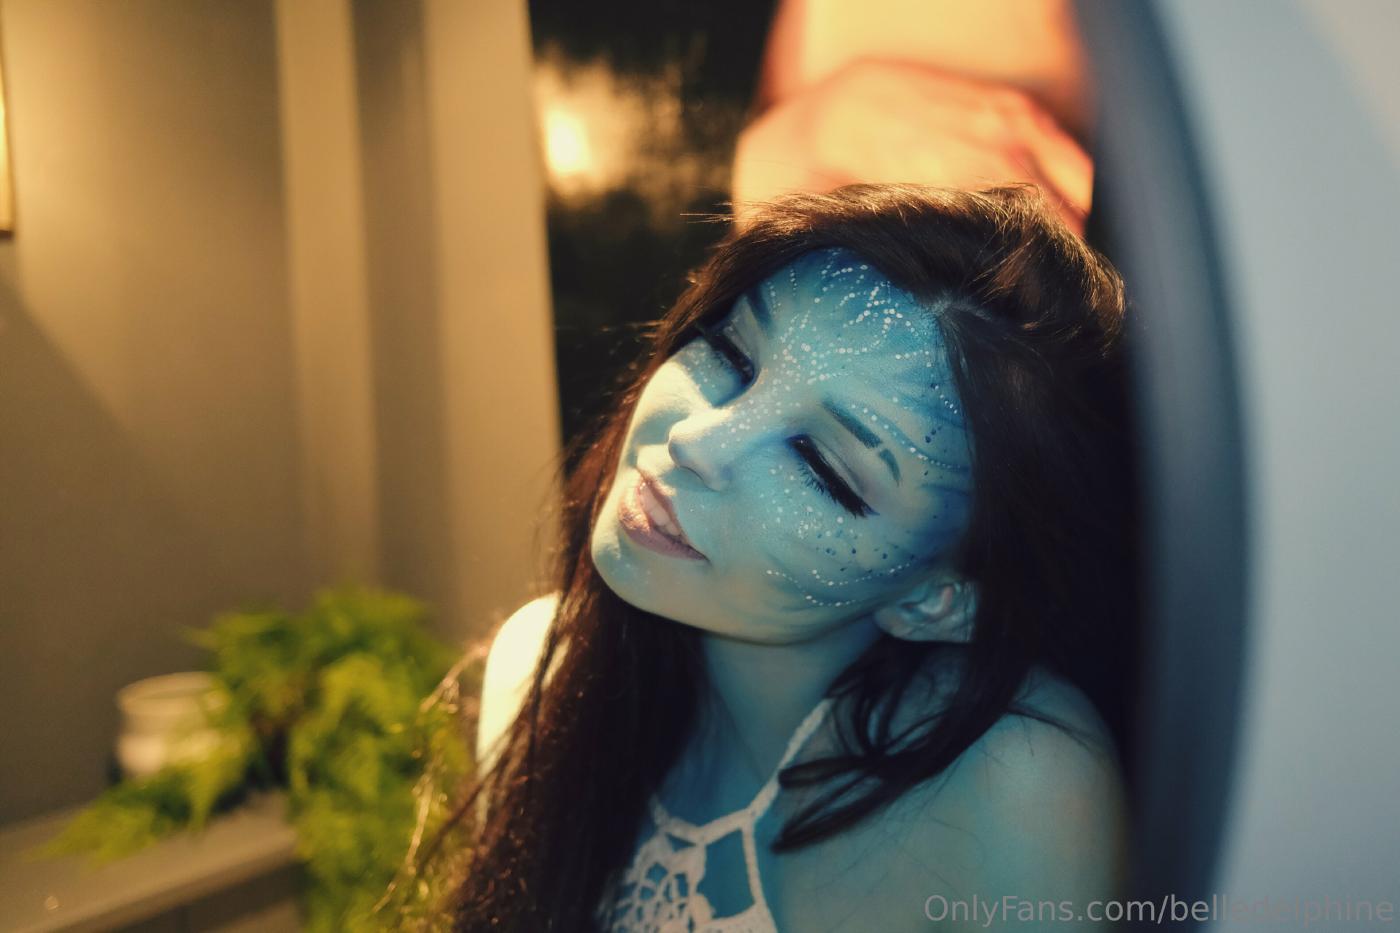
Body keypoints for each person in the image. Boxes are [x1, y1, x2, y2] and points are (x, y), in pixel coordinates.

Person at [458, 183, 1137, 932]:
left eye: (821, 465)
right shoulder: (536, 672)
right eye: (730, 353)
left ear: (936, 599)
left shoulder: (1017, 789)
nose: (697, 441)